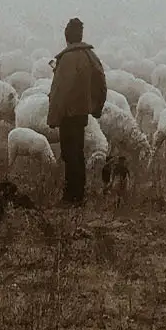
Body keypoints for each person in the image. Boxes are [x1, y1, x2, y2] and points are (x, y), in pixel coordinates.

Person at [45, 17, 106, 206]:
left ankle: (71, 196)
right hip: (82, 112)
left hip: (68, 113)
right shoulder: (90, 56)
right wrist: (96, 107)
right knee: (78, 151)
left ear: (67, 37)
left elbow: (59, 91)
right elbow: (101, 82)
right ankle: (78, 193)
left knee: (69, 152)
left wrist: (53, 117)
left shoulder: (67, 59)